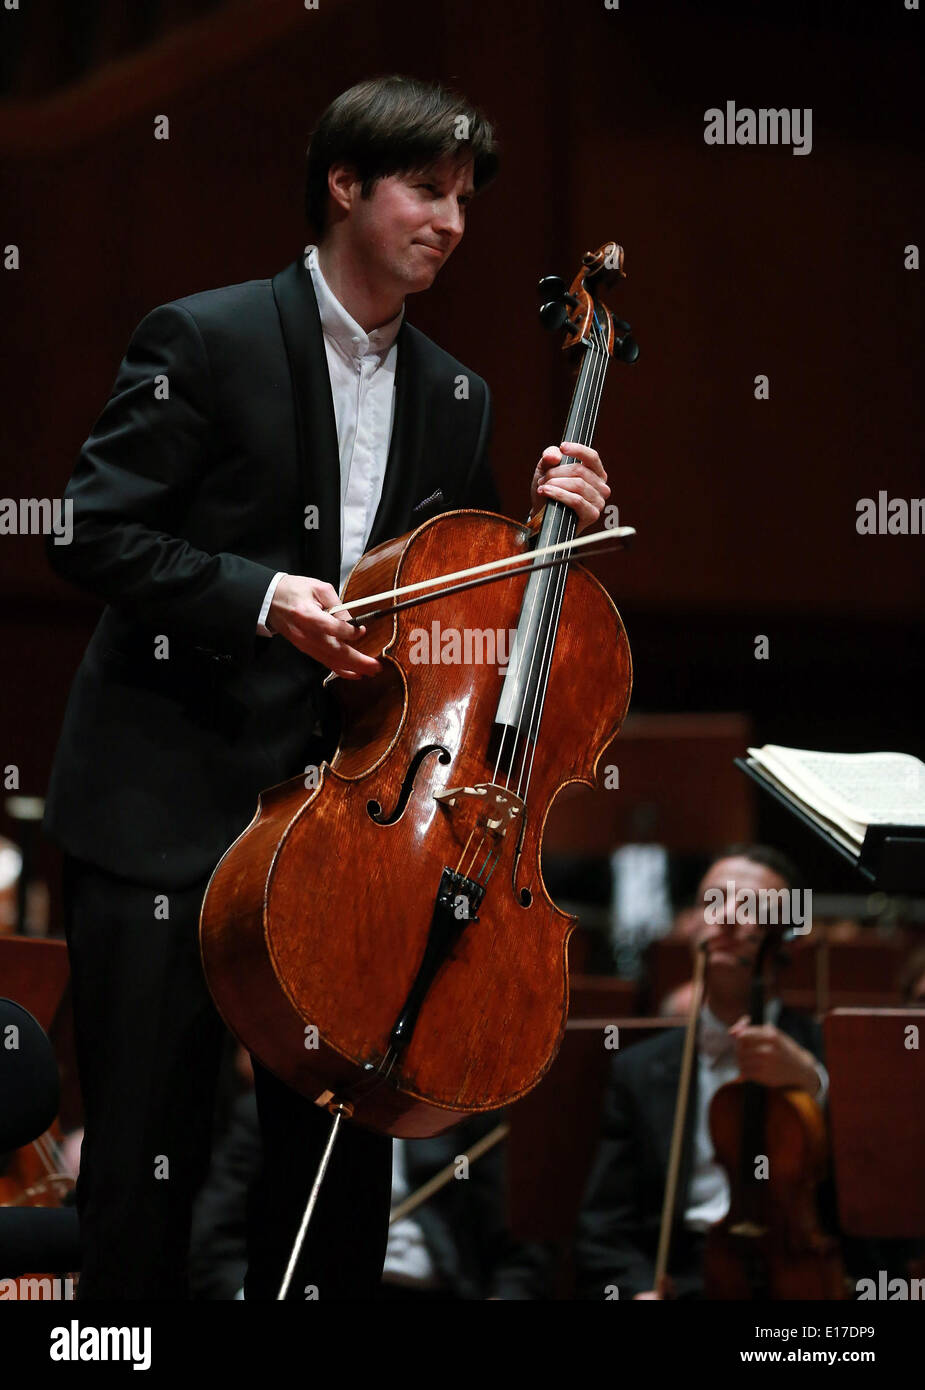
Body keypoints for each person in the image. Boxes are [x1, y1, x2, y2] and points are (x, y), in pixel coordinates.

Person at [42, 74, 612, 1300]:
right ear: (344, 187)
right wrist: (264, 597)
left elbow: (442, 618)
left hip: (345, 840)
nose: (451, 220)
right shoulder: (203, 338)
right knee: (149, 1168)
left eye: (465, 198)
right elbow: (88, 533)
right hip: (165, 814)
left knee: (334, 1191)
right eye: (425, 189)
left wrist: (544, 534)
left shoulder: (461, 396)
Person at [574, 845, 831, 1300]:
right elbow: (604, 1227)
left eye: (751, 906)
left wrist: (814, 1087)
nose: (728, 917)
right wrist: (635, 1291)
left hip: (792, 1282)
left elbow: (873, 1194)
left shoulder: (828, 1054)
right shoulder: (638, 1069)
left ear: (790, 937)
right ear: (692, 925)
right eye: (713, 901)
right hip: (678, 1281)